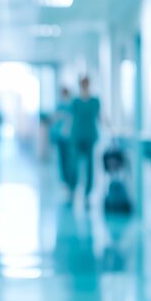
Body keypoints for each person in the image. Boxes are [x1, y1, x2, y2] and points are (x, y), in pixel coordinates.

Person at [68, 76, 101, 205]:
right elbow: (71, 118)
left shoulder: (95, 101)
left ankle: (87, 194)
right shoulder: (75, 101)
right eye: (83, 84)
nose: (85, 86)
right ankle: (72, 189)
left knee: (90, 166)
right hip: (76, 136)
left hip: (90, 136)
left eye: (86, 83)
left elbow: (99, 116)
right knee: (74, 165)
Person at [51, 87, 73, 190]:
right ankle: (65, 181)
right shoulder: (60, 106)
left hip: (70, 139)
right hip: (61, 138)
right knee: (63, 161)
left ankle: (70, 181)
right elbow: (55, 120)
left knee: (70, 161)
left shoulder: (72, 106)